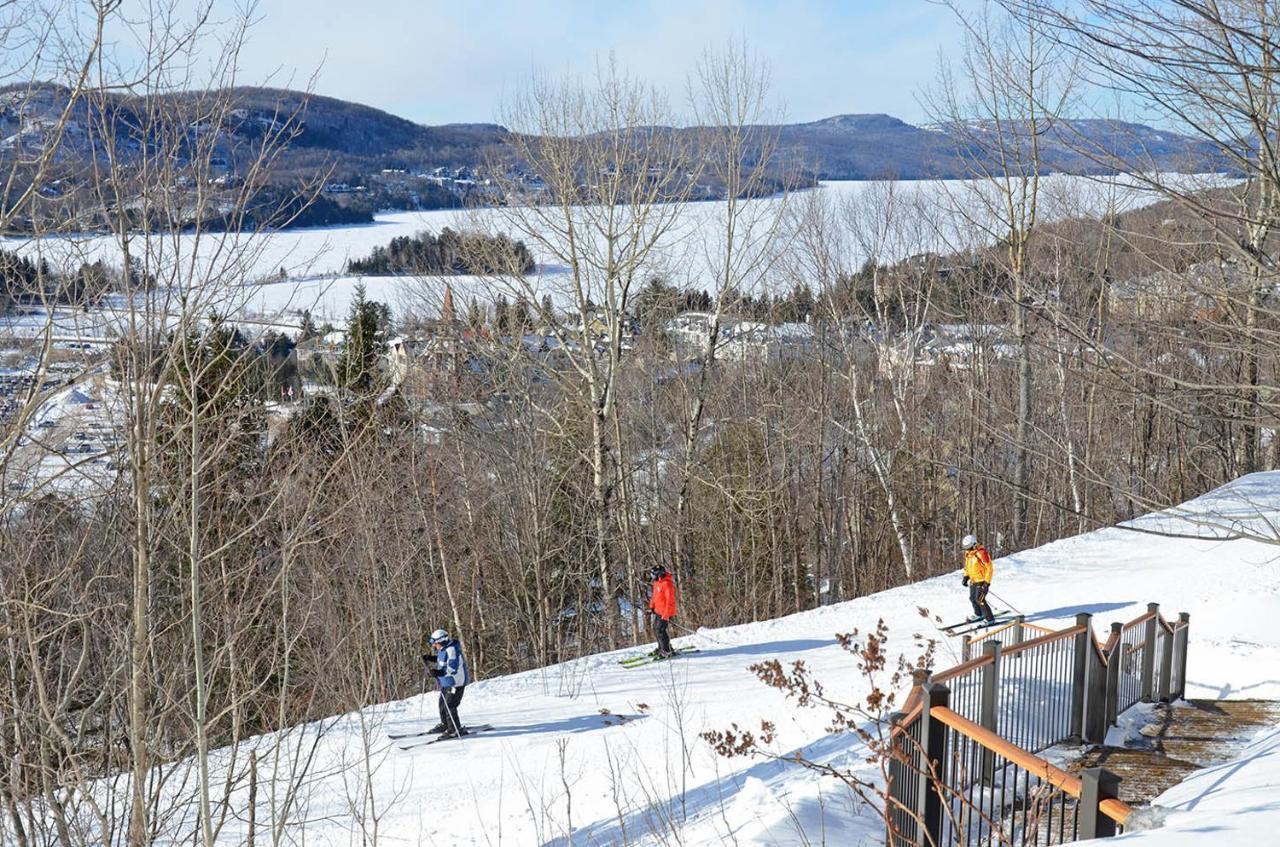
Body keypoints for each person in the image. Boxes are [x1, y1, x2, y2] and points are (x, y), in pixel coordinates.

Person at [422, 628, 471, 738]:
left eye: (435, 643)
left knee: (450, 705)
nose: (434, 646)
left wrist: (438, 672)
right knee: (442, 704)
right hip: (446, 682)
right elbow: (442, 660)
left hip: (455, 682)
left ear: (442, 641)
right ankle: (446, 724)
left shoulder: (452, 650)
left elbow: (452, 668)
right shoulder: (443, 649)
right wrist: (430, 658)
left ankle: (455, 729)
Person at [961, 534, 995, 624]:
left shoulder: (981, 553)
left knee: (980, 599)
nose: (967, 549)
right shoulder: (968, 554)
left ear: (974, 544)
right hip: (973, 580)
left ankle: (990, 618)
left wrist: (987, 583)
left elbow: (989, 568)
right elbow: (968, 567)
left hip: (982, 580)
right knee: (972, 598)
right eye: (965, 547)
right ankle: (978, 614)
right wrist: (966, 576)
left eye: (968, 547)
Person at [648, 565, 677, 658]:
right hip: (658, 610)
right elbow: (655, 596)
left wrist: (666, 614)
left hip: (665, 612)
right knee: (656, 629)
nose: (652, 577)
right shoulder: (657, 583)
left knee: (660, 630)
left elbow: (670, 601)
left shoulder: (667, 584)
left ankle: (666, 651)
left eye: (654, 575)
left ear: (659, 574)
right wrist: (651, 607)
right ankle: (662, 647)